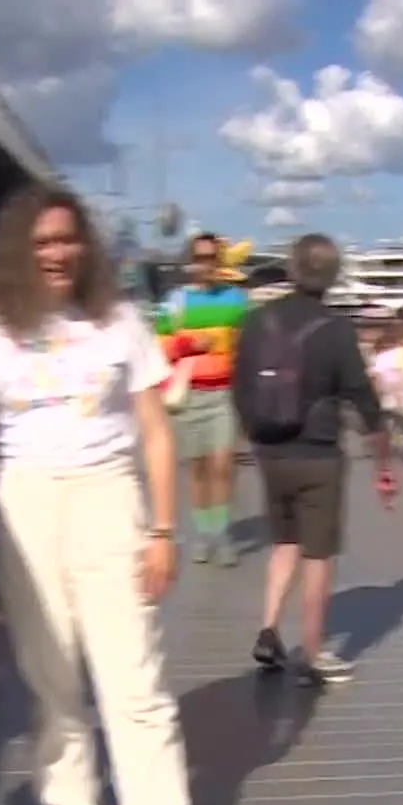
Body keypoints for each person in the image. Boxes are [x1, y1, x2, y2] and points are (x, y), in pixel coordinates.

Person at [0, 184, 194, 805]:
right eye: (42, 243)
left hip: (106, 491)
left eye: (66, 239)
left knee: (132, 676)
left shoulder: (119, 320)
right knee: (47, 671)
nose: (57, 253)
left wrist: (161, 529)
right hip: (24, 499)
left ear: (84, 245)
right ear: (19, 253)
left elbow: (155, 429)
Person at [234, 234, 393, 685]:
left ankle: (268, 630)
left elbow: (240, 384)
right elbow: (364, 399)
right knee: (318, 554)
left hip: (271, 451)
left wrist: (255, 434)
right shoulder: (337, 329)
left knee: (285, 542)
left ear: (292, 268)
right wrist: (382, 459)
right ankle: (315, 651)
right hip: (319, 454)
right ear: (334, 275)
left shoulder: (258, 321)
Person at [157, 232, 252, 565]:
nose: (205, 265)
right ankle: (204, 534)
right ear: (190, 263)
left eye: (211, 258)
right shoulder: (175, 301)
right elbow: (159, 348)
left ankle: (223, 535)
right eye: (200, 258)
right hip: (188, 395)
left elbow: (248, 343)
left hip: (225, 393)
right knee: (198, 470)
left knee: (223, 467)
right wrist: (189, 345)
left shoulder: (236, 299)